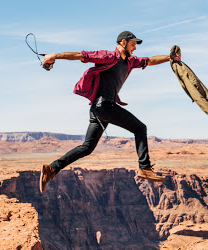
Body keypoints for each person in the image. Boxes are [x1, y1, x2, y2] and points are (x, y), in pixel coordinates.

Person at [39, 30, 181, 193]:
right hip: (104, 106)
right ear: (123, 43)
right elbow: (80, 55)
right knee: (140, 128)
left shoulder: (130, 61)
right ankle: (145, 167)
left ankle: (51, 169)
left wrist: (170, 58)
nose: (135, 48)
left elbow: (149, 60)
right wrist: (54, 56)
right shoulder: (108, 56)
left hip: (98, 110)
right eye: (133, 44)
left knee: (87, 147)